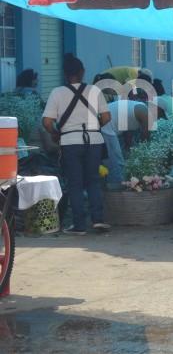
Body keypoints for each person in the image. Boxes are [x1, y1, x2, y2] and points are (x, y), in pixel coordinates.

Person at [42, 54, 111, 235]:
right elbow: (106, 117)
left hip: (70, 142)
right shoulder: (95, 91)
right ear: (82, 72)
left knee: (75, 183)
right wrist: (94, 128)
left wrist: (56, 133)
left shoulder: (57, 93)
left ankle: (79, 225)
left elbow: (47, 122)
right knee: (93, 181)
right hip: (94, 141)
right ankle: (98, 220)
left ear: (65, 74)